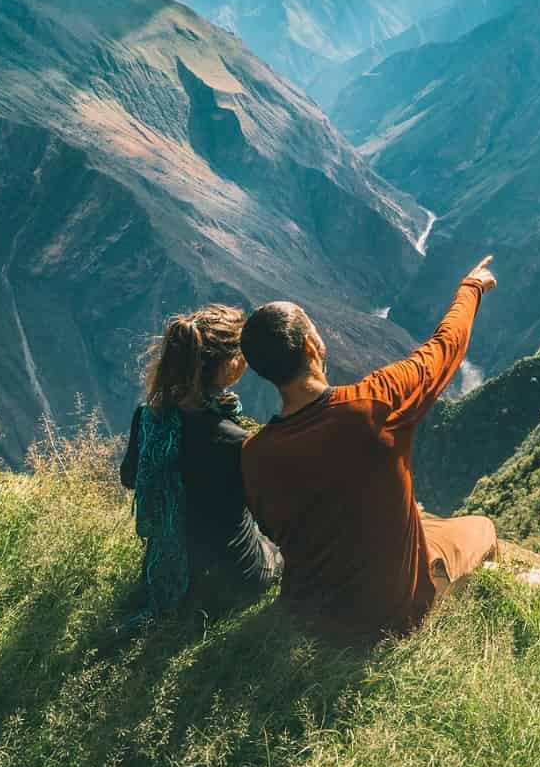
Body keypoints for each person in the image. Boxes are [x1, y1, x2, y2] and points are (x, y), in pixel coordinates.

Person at [239, 256, 500, 639]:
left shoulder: (254, 455)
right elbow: (444, 348)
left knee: (416, 515)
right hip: (393, 617)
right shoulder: (374, 404)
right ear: (312, 346)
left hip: (306, 613)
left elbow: (276, 530)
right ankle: (455, 619)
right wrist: (471, 287)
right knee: (482, 528)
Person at [119, 305, 280, 623]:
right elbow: (269, 510)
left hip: (167, 565)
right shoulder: (236, 441)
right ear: (228, 366)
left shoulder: (149, 418)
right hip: (236, 573)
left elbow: (129, 478)